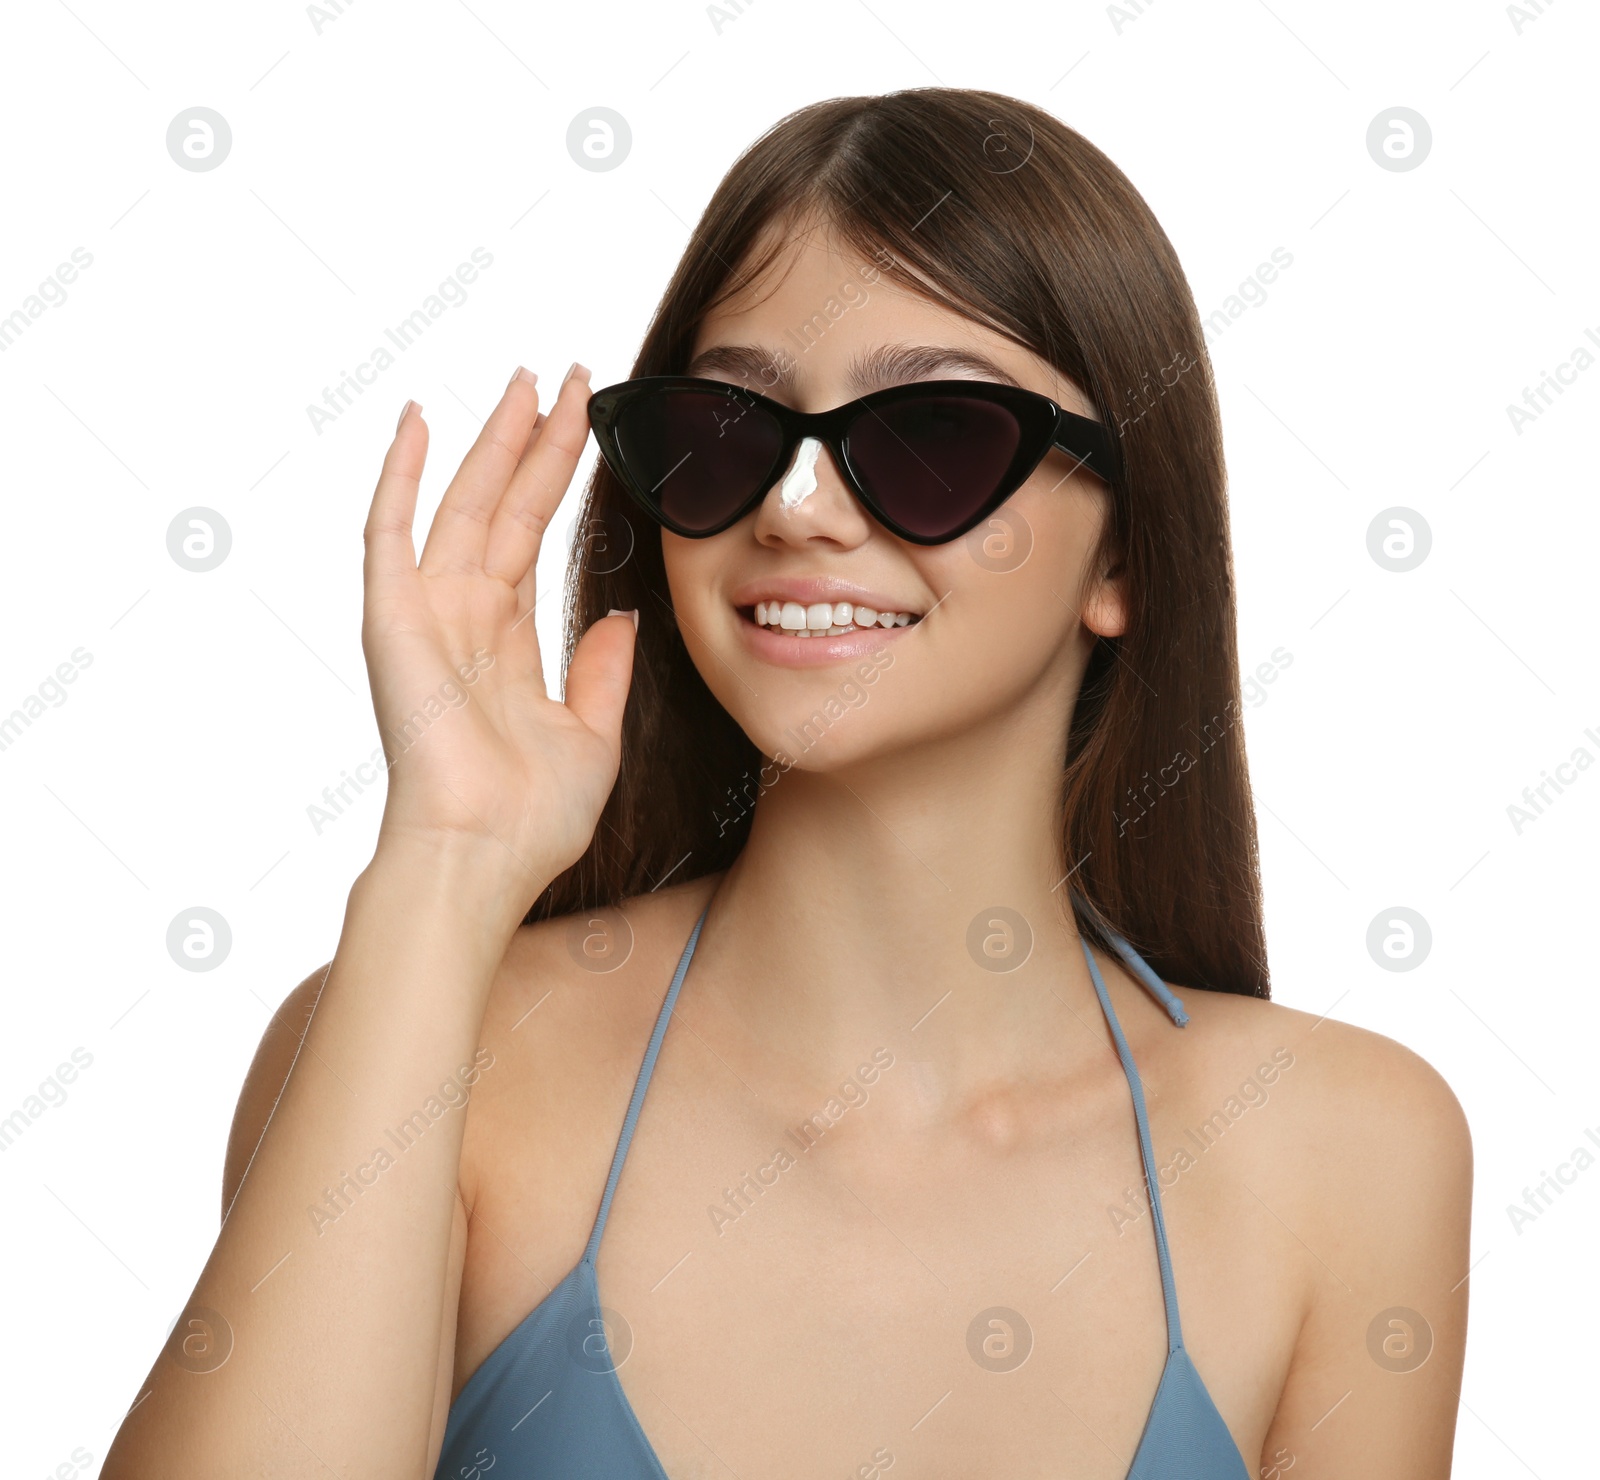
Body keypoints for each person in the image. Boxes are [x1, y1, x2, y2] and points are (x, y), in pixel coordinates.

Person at [104, 88, 1471, 1479]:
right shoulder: (427, 1041)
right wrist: (445, 865)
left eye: (930, 433)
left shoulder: (1344, 1154)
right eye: (728, 430)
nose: (795, 508)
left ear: (1123, 557)